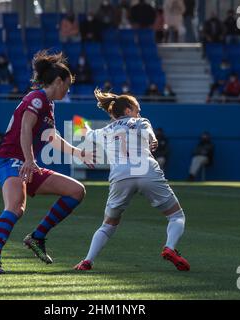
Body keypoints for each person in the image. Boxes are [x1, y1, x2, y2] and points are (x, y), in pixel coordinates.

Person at [0, 50, 93, 274]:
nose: (68, 90)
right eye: (67, 86)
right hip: (11, 161)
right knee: (15, 207)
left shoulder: (48, 103)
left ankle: (37, 237)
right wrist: (30, 160)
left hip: (26, 163)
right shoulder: (36, 98)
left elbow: (51, 137)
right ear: (58, 81)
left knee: (76, 191)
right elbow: (24, 129)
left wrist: (77, 153)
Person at [74, 89, 190, 272]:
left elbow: (84, 131)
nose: (139, 113)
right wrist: (153, 140)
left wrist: (79, 122)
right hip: (146, 170)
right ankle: (169, 247)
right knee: (176, 216)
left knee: (108, 224)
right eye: (137, 109)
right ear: (128, 111)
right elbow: (148, 131)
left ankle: (87, 261)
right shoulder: (140, 122)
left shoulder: (104, 131)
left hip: (120, 175)